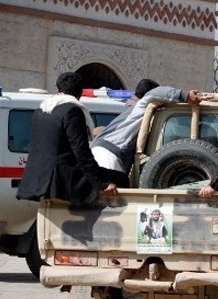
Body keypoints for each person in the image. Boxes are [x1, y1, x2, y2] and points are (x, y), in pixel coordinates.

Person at [16, 72, 126, 205]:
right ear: (80, 93)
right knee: (122, 179)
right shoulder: (72, 111)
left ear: (57, 90)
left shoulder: (41, 110)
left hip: (35, 179)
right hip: (59, 180)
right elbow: (82, 153)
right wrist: (102, 183)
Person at [91, 81, 201, 173]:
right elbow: (155, 93)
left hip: (101, 154)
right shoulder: (139, 106)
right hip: (108, 156)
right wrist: (185, 96)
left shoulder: (130, 109)